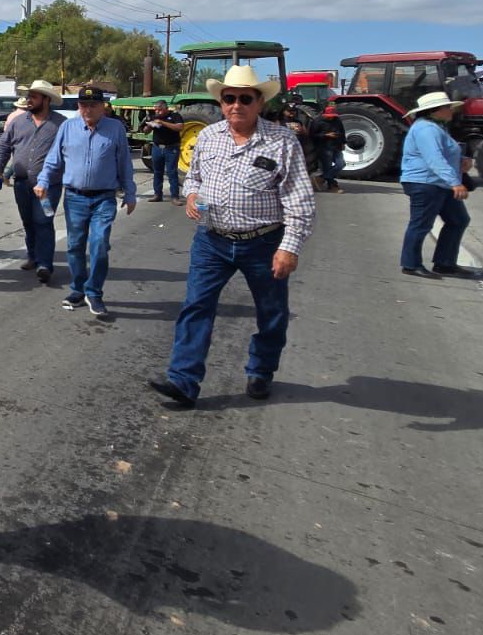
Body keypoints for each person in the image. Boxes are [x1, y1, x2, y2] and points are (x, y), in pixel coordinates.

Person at [149, 66, 315, 408]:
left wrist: (290, 248)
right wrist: (192, 195)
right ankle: (183, 380)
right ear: (221, 102)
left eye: (244, 98)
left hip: (264, 242)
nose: (235, 105)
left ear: (259, 102)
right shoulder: (208, 137)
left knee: (271, 313)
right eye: (229, 98)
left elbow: (300, 199)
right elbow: (193, 177)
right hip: (213, 240)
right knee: (196, 306)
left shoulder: (282, 141)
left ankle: (261, 370)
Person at [35, 85, 136, 319]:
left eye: (93, 105)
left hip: (104, 198)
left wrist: (130, 193)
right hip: (75, 197)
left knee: (100, 244)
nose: (88, 109)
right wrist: (43, 181)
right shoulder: (68, 128)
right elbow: (53, 159)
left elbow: (124, 163)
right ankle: (78, 289)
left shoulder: (115, 129)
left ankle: (95, 292)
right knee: (75, 246)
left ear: (103, 107)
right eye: (83, 105)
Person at [0, 80, 67, 284]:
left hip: (49, 186)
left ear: (46, 99)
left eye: (33, 96)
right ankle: (33, 256)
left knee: (43, 221)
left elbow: (68, 152)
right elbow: (4, 146)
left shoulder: (61, 124)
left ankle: (45, 264)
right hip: (22, 183)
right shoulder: (17, 122)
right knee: (28, 221)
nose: (28, 100)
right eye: (28, 96)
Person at [397, 92, 474, 279]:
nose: (451, 111)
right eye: (448, 107)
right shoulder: (426, 129)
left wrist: (461, 160)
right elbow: (434, 158)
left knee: (458, 220)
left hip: (438, 182)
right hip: (426, 182)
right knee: (421, 224)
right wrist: (455, 182)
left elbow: (443, 154)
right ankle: (411, 264)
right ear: (436, 110)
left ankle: (445, 263)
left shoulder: (436, 127)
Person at [145, 99, 183, 202]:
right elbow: (145, 131)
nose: (157, 112)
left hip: (171, 148)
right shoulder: (154, 117)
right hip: (157, 148)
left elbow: (179, 127)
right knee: (157, 172)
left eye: (160, 110)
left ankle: (175, 197)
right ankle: (157, 194)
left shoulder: (175, 116)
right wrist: (150, 125)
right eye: (156, 110)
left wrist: (162, 122)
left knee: (172, 172)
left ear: (166, 108)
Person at [311, 105, 346, 194]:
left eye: (333, 116)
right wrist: (326, 135)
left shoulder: (337, 120)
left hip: (337, 145)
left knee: (341, 164)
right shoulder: (317, 121)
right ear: (324, 114)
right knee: (327, 166)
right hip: (324, 147)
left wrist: (343, 142)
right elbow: (312, 136)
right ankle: (332, 185)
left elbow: (342, 131)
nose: (331, 118)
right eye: (329, 116)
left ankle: (321, 178)